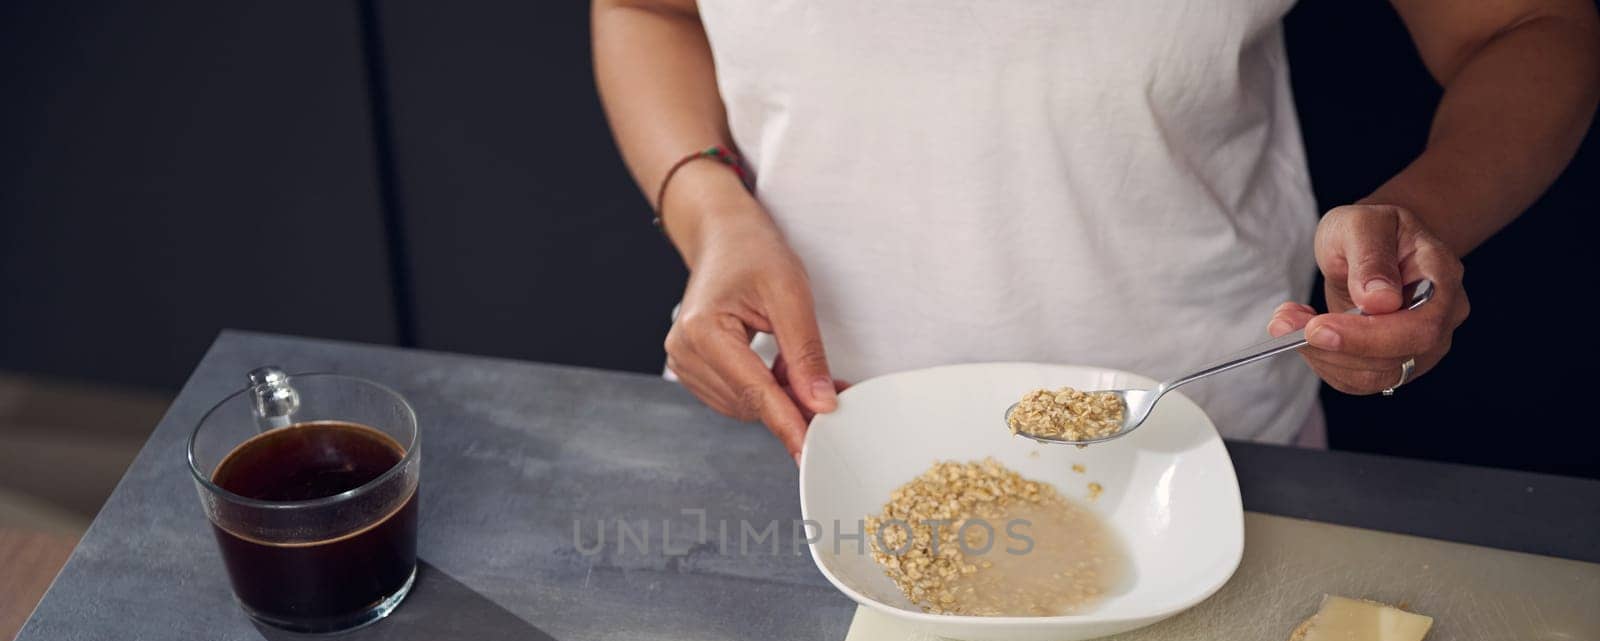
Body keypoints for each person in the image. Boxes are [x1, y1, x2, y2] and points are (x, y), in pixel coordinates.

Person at [594, 1, 1600, 460]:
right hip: (795, 436)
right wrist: (710, 207)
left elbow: (1526, 25)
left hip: (1203, 452)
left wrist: (1423, 215)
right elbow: (649, 9)